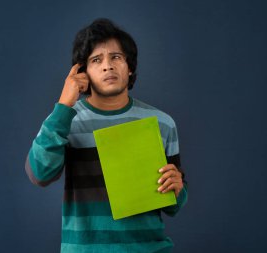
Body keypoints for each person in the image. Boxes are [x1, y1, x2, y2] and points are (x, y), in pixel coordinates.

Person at [25, 18, 188, 253]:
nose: (107, 66)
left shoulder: (162, 123)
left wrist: (178, 188)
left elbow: (173, 204)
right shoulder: (66, 120)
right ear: (83, 72)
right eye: (96, 60)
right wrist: (64, 104)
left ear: (129, 67)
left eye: (116, 57)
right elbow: (39, 174)